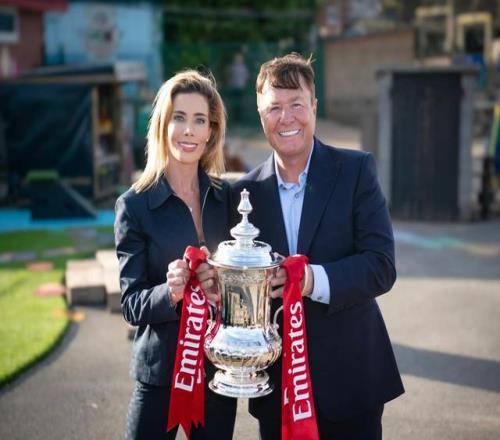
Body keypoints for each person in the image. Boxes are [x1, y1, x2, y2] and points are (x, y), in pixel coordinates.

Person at [232, 53, 404, 439]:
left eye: (296, 104)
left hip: (350, 382)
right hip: (277, 393)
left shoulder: (356, 171)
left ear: (314, 106)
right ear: (261, 115)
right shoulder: (243, 194)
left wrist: (310, 280)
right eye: (274, 107)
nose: (286, 117)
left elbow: (381, 266)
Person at [114, 70, 237, 440]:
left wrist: (220, 284)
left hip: (217, 372)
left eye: (199, 120)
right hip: (160, 375)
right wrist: (170, 292)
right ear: (163, 125)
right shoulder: (134, 205)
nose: (188, 130)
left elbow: (241, 287)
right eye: (179, 118)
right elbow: (131, 304)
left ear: (211, 131)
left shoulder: (226, 199)